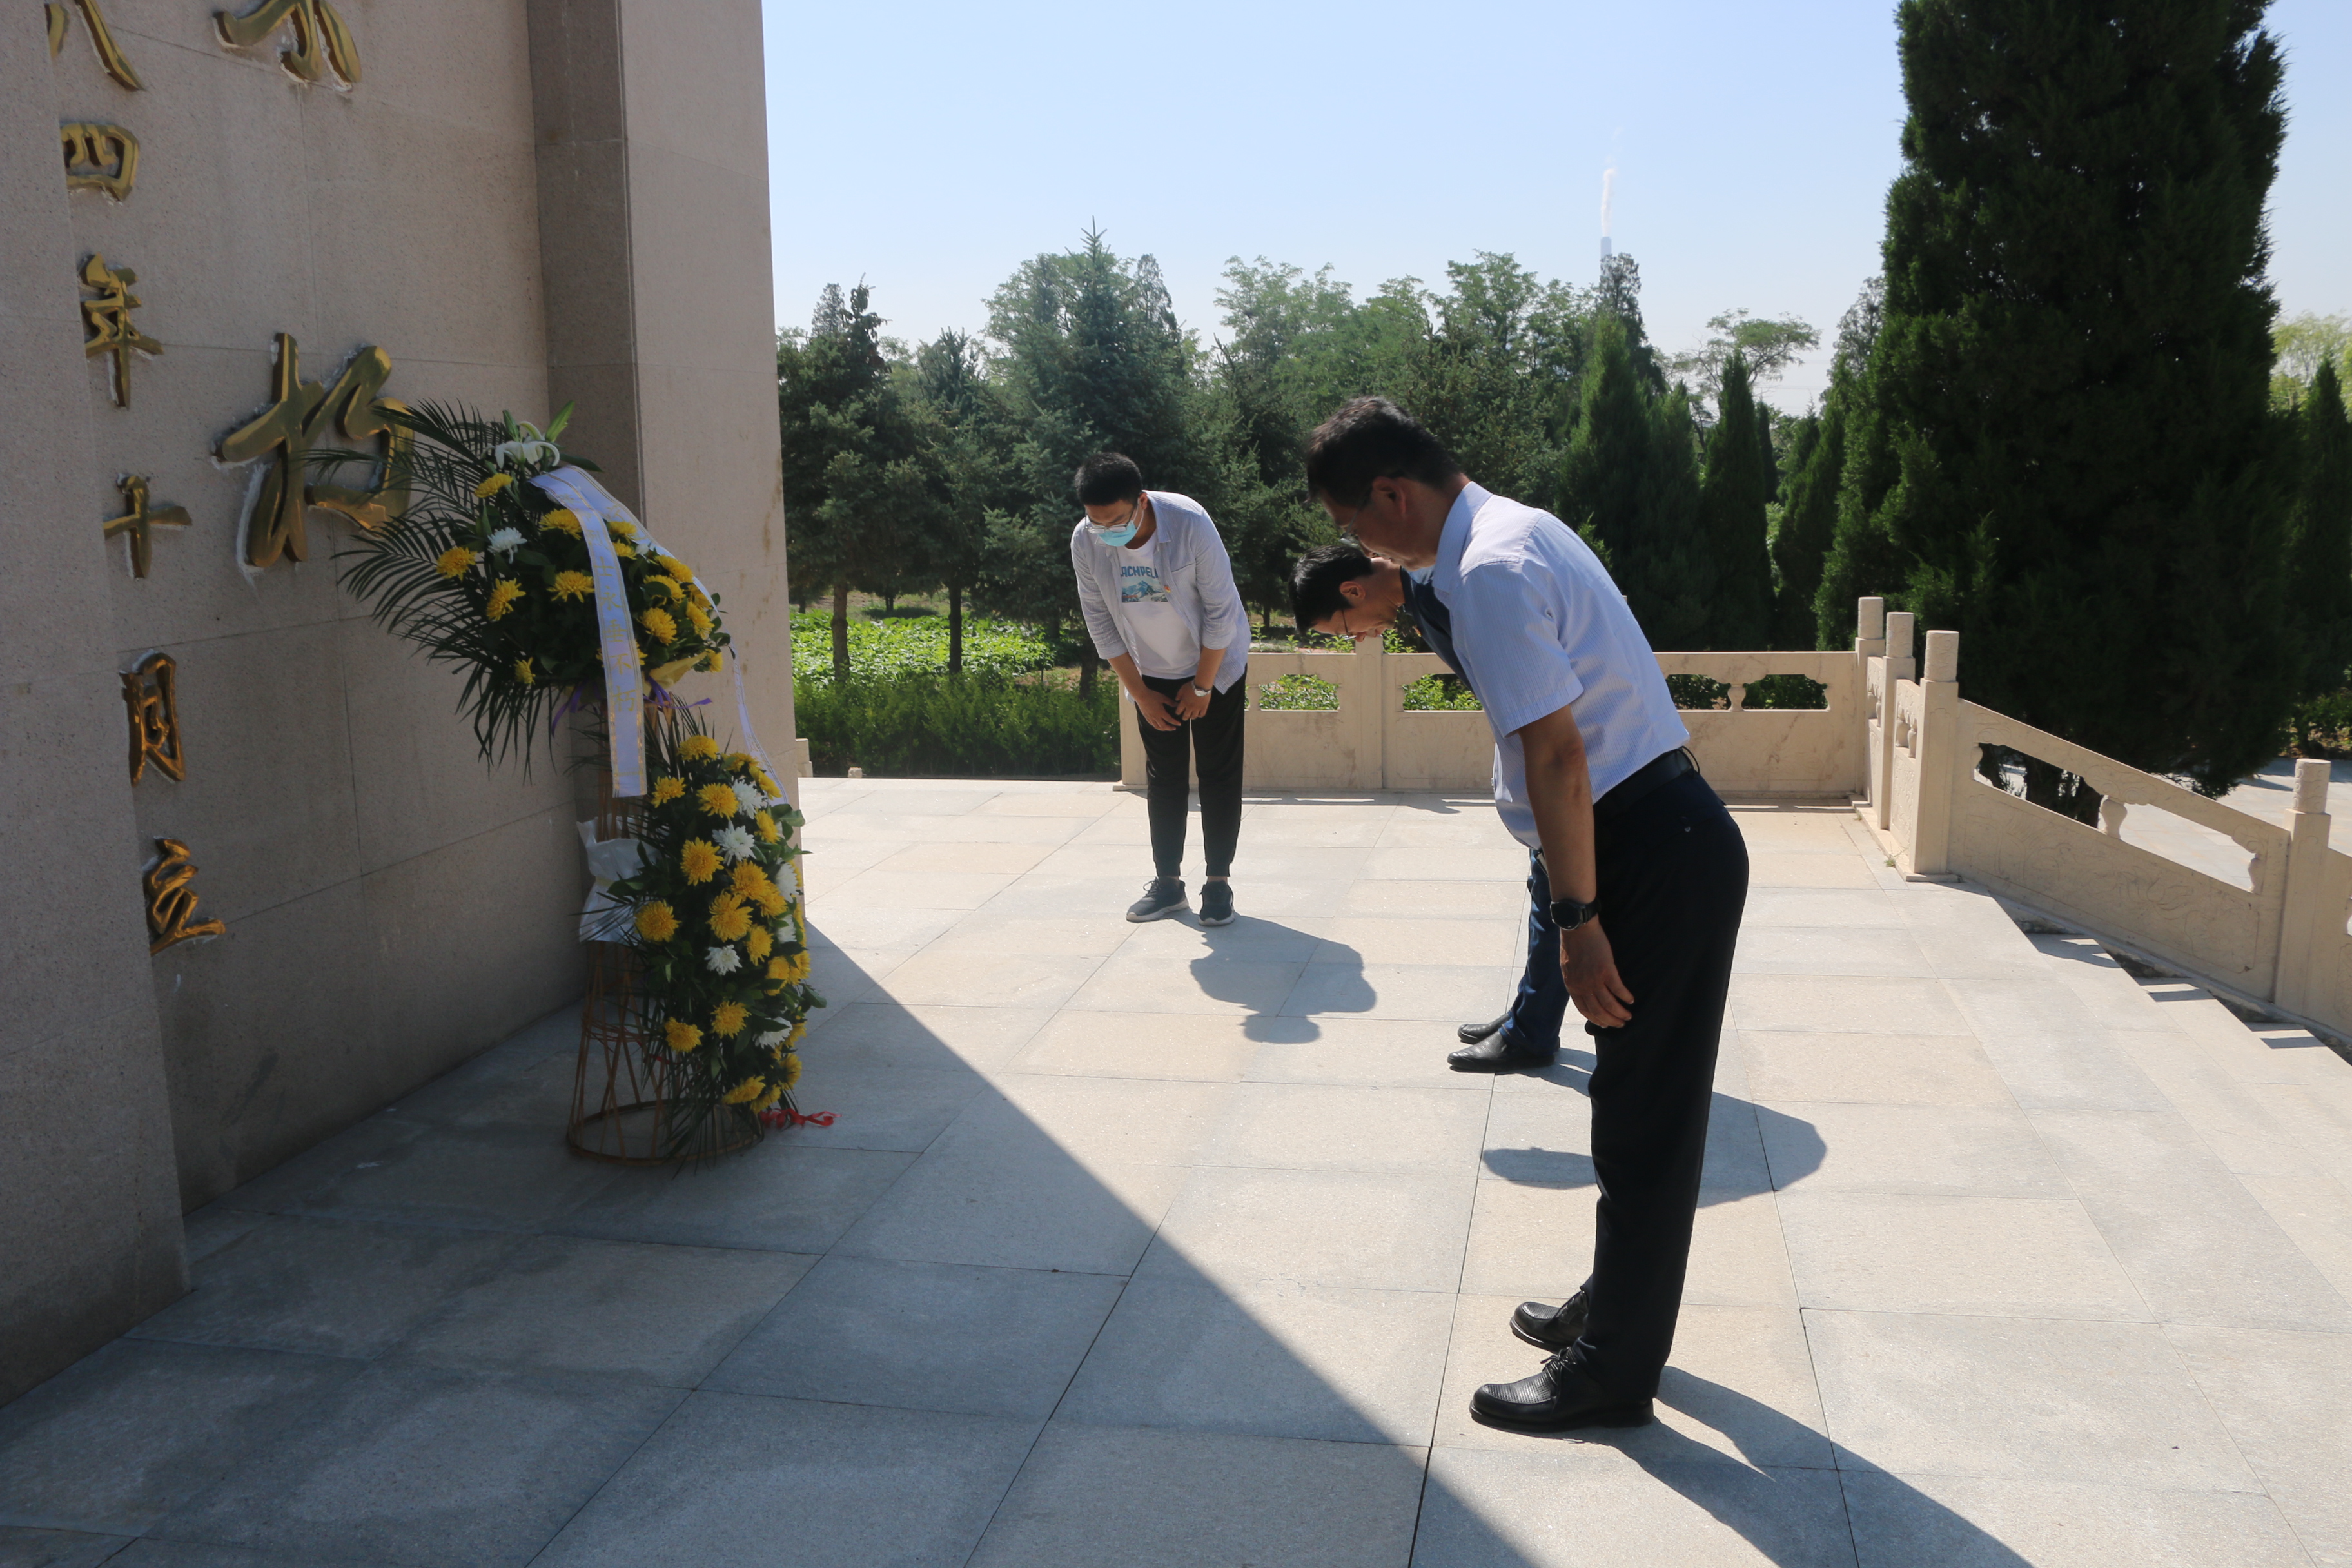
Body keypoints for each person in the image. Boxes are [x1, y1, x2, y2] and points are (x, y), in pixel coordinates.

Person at [1302, 397, 1749, 1432]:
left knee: (1643, 1121)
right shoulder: (1515, 530)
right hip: (1655, 835)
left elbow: (1558, 753)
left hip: (1643, 849)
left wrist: (1577, 918)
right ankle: (1618, 1308)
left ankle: (1611, 1373)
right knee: (1636, 1110)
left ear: (1392, 495)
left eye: (1356, 526)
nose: (1364, 550)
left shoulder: (1491, 570)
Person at [1291, 542, 1512, 1050]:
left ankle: (1535, 1023)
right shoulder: (1422, 592)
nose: (1359, 638)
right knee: (1545, 890)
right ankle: (1533, 1015)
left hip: (1569, 758)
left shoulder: (1437, 591)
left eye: (1345, 630)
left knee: (1558, 895)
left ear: (1353, 591)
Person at [1070, 452, 1250, 926]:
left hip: (1214, 662)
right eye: (1096, 521)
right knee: (1163, 776)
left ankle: (1218, 884)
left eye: (1116, 521)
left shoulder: (1190, 524)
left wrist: (1203, 686)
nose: (1106, 531)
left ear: (1142, 502)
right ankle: (1168, 884)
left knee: (1218, 772)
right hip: (1148, 669)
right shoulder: (1086, 539)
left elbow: (1221, 613)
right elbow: (1099, 622)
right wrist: (1141, 694)